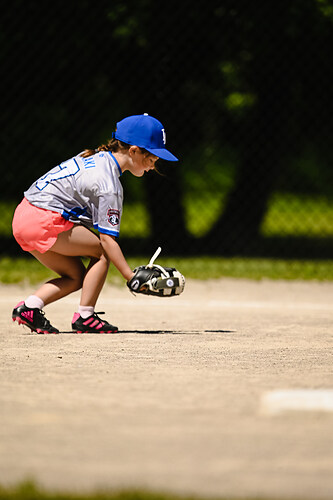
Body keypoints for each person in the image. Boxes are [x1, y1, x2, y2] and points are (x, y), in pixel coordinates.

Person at [11, 114, 178, 334]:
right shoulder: (109, 183)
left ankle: (30, 308)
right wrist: (131, 277)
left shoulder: (94, 157)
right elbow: (107, 240)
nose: (152, 166)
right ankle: (85, 316)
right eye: (151, 159)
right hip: (42, 218)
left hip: (24, 216)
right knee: (102, 251)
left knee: (76, 277)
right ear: (134, 150)